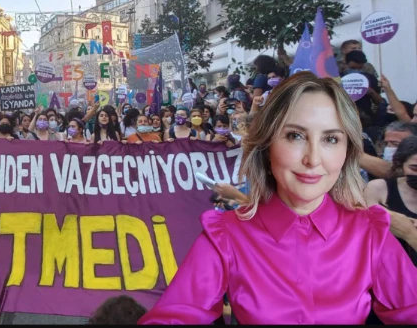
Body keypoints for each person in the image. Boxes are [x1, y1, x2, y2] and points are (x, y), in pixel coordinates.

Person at [138, 72, 417, 325]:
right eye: (295, 136)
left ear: (347, 151)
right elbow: (174, 316)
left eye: (331, 139)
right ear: (267, 144)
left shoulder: (370, 232)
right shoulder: (226, 235)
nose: (313, 159)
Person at [364, 135, 417, 265]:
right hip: (388, 268)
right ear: (401, 165)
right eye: (414, 169)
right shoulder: (379, 188)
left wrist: (409, 232)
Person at [342, 50, 381, 119]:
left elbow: (379, 102)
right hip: (343, 115)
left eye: (359, 68)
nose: (356, 71)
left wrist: (371, 92)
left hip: (365, 117)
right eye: (353, 68)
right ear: (346, 64)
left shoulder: (370, 78)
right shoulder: (338, 78)